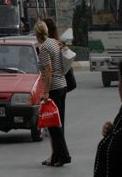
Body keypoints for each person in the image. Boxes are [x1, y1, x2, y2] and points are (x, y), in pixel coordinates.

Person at [35, 20, 71, 167]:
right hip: (62, 85)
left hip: (54, 89)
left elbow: (48, 70)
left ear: (37, 34)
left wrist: (46, 92)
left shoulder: (43, 48)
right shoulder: (54, 43)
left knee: (53, 126)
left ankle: (64, 156)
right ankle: (56, 156)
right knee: (58, 123)